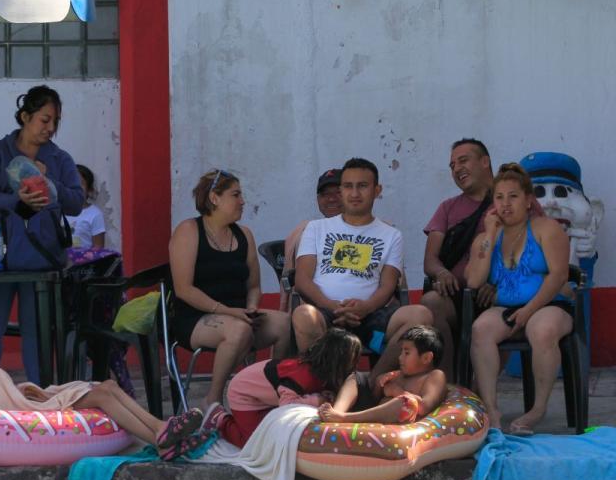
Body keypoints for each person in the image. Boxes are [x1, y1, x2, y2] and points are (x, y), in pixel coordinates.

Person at [0, 329, 208, 460]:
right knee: (103, 395)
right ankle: (160, 433)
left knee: (108, 386)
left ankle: (162, 432)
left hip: (36, 401)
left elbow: (6, 392)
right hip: (36, 414)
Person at [0, 85, 85, 384]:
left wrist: (49, 184)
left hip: (42, 258)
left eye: (56, 121)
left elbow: (76, 202)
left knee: (36, 332)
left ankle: (41, 394)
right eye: (44, 120)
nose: (51, 128)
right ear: (25, 116)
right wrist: (16, 200)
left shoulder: (59, 159)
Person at [291, 158, 434, 385]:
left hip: (370, 317)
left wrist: (365, 308)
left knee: (420, 315)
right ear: (341, 191)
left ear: (377, 190)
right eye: (348, 186)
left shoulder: (391, 235)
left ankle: (375, 382)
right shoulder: (316, 229)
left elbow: (388, 286)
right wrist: (333, 306)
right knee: (302, 315)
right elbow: (302, 280)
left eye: (363, 186)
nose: (355, 193)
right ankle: (322, 387)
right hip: (326, 313)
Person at [169, 169, 293, 409]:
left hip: (240, 315)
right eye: (235, 195)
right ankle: (213, 400)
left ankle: (272, 390)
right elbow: (184, 289)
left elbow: (254, 285)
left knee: (286, 322)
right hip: (196, 318)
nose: (242, 201)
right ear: (215, 198)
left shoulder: (244, 234)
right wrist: (228, 311)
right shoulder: (189, 231)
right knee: (238, 331)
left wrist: (252, 306)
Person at [420, 139, 543, 376]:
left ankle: (479, 395)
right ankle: (449, 386)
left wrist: (501, 282)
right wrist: (442, 272)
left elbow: (537, 250)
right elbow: (430, 261)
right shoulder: (447, 208)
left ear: (485, 162)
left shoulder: (516, 200)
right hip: (457, 294)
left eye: (463, 160)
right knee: (431, 303)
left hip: (500, 293)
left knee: (505, 302)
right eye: (452, 165)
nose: (456, 169)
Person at [465, 163, 573, 435]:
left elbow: (559, 275)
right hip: (506, 306)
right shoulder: (486, 238)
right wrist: (489, 233)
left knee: (542, 329)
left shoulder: (546, 228)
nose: (505, 204)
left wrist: (529, 309)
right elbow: (475, 281)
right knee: (481, 329)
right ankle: (491, 409)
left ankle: (537, 409)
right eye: (499, 198)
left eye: (513, 196)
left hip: (549, 304)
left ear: (528, 200)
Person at [204, 328, 361, 447]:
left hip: (266, 395)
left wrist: (324, 394)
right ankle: (219, 419)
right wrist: (317, 400)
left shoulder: (317, 371)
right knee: (252, 442)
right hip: (244, 394)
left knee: (269, 433)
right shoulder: (301, 376)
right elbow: (286, 406)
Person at [319, 325, 447, 424]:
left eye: (407, 353)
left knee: (406, 403)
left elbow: (424, 407)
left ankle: (344, 418)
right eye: (401, 352)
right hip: (371, 412)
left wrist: (396, 391)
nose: (400, 358)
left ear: (426, 358)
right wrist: (380, 385)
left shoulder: (435, 376)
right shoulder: (400, 374)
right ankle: (337, 411)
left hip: (401, 420)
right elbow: (374, 399)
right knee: (357, 377)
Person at [278, 168, 344, 312]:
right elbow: (302, 283)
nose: (331, 199)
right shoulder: (307, 231)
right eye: (325, 194)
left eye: (338, 193)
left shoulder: (376, 232)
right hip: (316, 313)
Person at [67, 164, 107, 249]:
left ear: (89, 190)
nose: (75, 188)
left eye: (80, 183)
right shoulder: (60, 213)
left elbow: (98, 249)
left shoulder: (95, 215)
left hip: (86, 262)